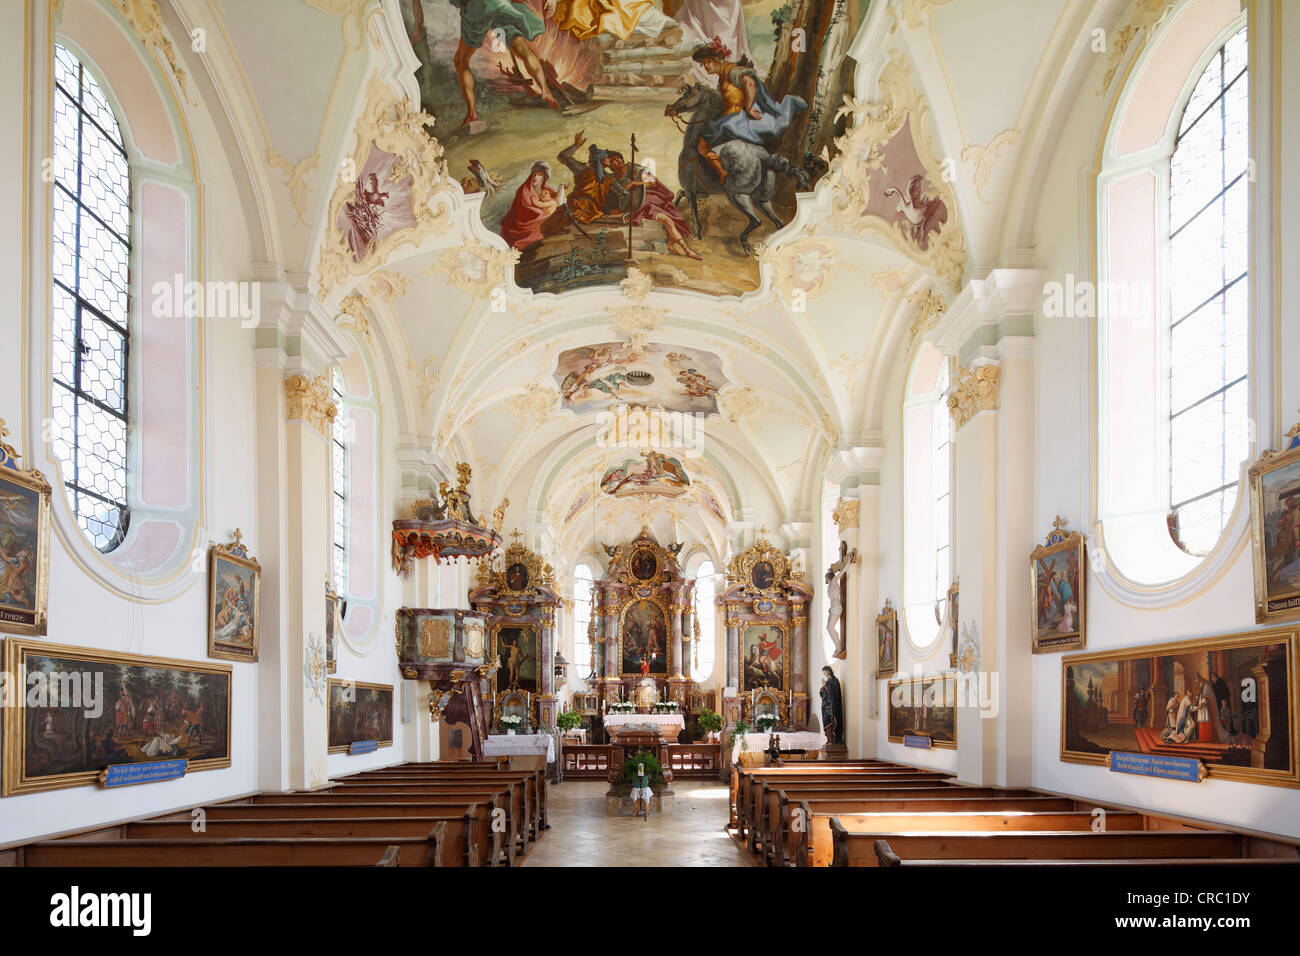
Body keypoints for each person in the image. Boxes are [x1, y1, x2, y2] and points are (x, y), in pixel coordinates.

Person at [689, 38, 807, 183]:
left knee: (702, 143)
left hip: (737, 118)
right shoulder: (722, 78)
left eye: (708, 62)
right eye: (703, 64)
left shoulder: (731, 71)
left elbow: (750, 83)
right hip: (730, 117)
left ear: (717, 59)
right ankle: (723, 172)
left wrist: (749, 108)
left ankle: (722, 173)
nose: (705, 67)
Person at [450, 0, 558, 127]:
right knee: (522, 49)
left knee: (461, 60)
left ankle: (472, 113)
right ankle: (545, 91)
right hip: (501, 4)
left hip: (478, 7)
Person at [499, 162, 559, 250]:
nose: (536, 177)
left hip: (542, 216)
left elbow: (555, 199)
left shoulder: (546, 189)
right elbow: (524, 207)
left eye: (540, 175)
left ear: (544, 177)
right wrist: (542, 212)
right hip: (524, 222)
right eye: (534, 175)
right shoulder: (524, 190)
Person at [820, 666, 844, 746]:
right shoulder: (829, 680)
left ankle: (832, 739)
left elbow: (833, 694)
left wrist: (825, 686)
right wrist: (822, 688)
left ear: (828, 671)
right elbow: (824, 693)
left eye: (824, 672)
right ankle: (829, 739)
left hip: (831, 707)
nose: (824, 674)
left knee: (829, 721)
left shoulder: (835, 681)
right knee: (826, 722)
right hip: (826, 706)